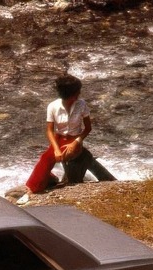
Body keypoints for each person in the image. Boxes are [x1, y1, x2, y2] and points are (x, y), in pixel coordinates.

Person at [20, 74, 114, 203]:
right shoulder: (53, 106)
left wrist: (76, 142)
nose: (80, 93)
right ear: (72, 93)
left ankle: (42, 183)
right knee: (47, 157)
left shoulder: (82, 105)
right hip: (59, 138)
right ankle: (32, 189)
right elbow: (49, 131)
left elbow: (87, 128)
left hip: (75, 139)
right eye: (78, 91)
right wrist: (56, 149)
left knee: (67, 154)